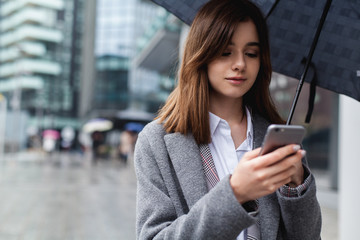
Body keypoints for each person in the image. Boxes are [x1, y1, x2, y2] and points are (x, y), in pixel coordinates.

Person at [134, 0, 322, 239]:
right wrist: (234, 193)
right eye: (226, 52)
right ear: (202, 54)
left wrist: (296, 186)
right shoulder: (156, 142)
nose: (240, 64)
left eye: (251, 53)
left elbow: (308, 236)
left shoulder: (276, 137)